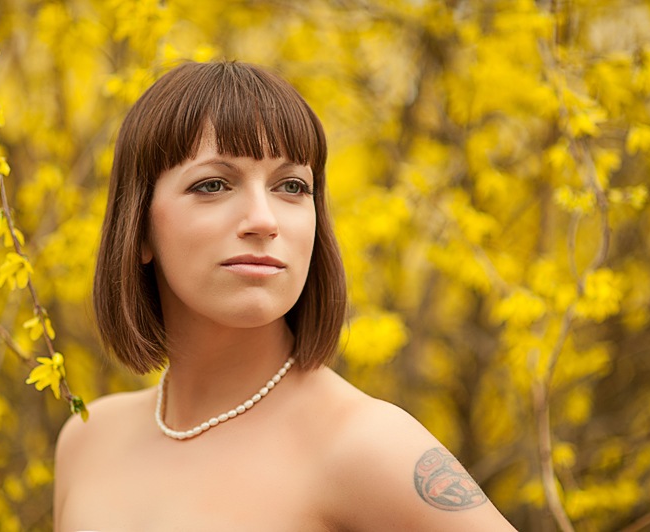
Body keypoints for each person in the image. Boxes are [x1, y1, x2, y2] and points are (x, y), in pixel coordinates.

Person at [54, 61, 516, 531]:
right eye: (213, 185)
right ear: (139, 228)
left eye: (292, 186)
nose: (263, 219)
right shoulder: (87, 441)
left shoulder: (368, 446)